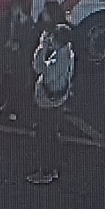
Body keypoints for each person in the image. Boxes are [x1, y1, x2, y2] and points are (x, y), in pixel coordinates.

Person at [28, 23, 74, 185]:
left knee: (44, 136)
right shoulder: (68, 52)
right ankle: (53, 168)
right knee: (52, 135)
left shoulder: (58, 59)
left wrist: (42, 47)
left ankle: (45, 171)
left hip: (48, 102)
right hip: (59, 100)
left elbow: (39, 68)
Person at [0, 0, 35, 121]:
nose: (14, 10)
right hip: (5, 58)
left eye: (17, 8)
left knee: (17, 86)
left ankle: (14, 110)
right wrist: (5, 44)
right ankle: (1, 103)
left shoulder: (27, 22)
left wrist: (19, 45)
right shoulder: (4, 20)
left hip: (18, 60)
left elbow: (29, 42)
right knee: (2, 83)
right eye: (13, 8)